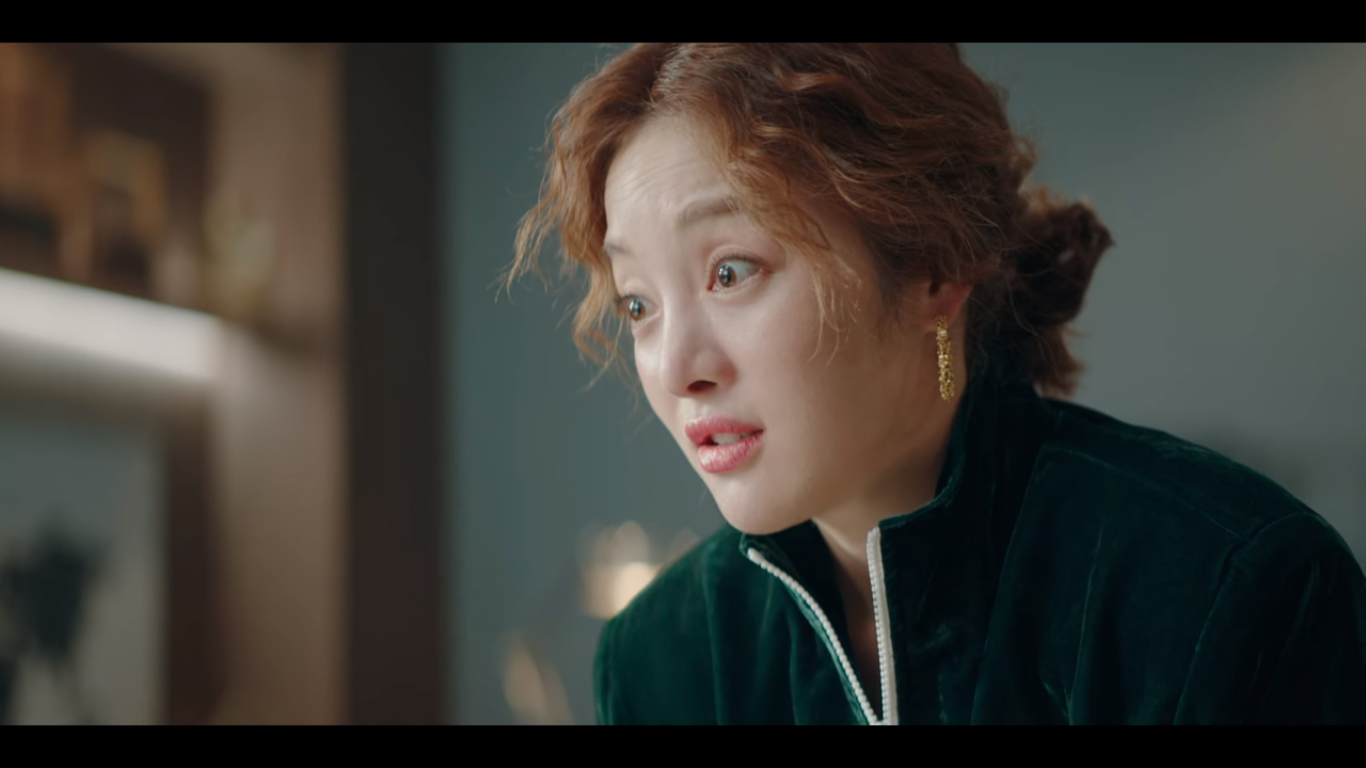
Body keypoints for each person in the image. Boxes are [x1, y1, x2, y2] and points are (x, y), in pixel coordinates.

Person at [507, 43, 1366, 724]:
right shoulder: (663, 658)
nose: (676, 368)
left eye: (731, 272)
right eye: (638, 303)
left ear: (933, 268)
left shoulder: (1233, 592)